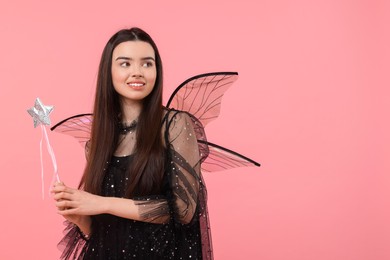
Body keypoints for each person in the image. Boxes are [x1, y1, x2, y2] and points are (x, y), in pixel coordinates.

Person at [52, 27, 212, 260]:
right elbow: (104, 232)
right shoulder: (99, 139)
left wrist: (101, 203)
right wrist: (81, 217)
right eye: (125, 64)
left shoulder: (174, 125)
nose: (137, 72)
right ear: (109, 71)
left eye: (147, 64)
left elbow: (183, 210)